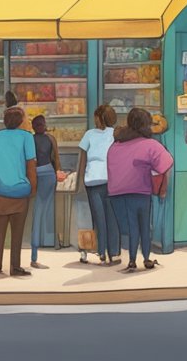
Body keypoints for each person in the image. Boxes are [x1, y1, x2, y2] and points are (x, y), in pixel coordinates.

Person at [107, 108, 174, 273]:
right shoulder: (150, 144)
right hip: (141, 191)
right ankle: (146, 258)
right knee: (144, 225)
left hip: (118, 193)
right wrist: (161, 187)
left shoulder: (116, 145)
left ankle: (131, 260)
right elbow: (167, 164)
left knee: (131, 227)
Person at [0, 105, 36, 277]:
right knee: (17, 232)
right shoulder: (27, 137)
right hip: (20, 190)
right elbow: (31, 165)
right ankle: (15, 266)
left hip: (0, 190)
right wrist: (33, 188)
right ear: (21, 121)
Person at [78, 104, 121, 266]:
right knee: (113, 218)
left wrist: (80, 180)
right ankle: (114, 253)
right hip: (113, 181)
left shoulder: (89, 135)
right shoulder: (116, 134)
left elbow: (82, 159)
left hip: (93, 181)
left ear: (98, 118)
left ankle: (101, 252)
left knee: (99, 219)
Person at [29, 114, 58, 269]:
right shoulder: (51, 139)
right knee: (45, 213)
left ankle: (35, 252)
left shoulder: (30, 140)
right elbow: (56, 160)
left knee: (37, 213)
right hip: (49, 175)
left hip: (36, 175)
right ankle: (44, 245)